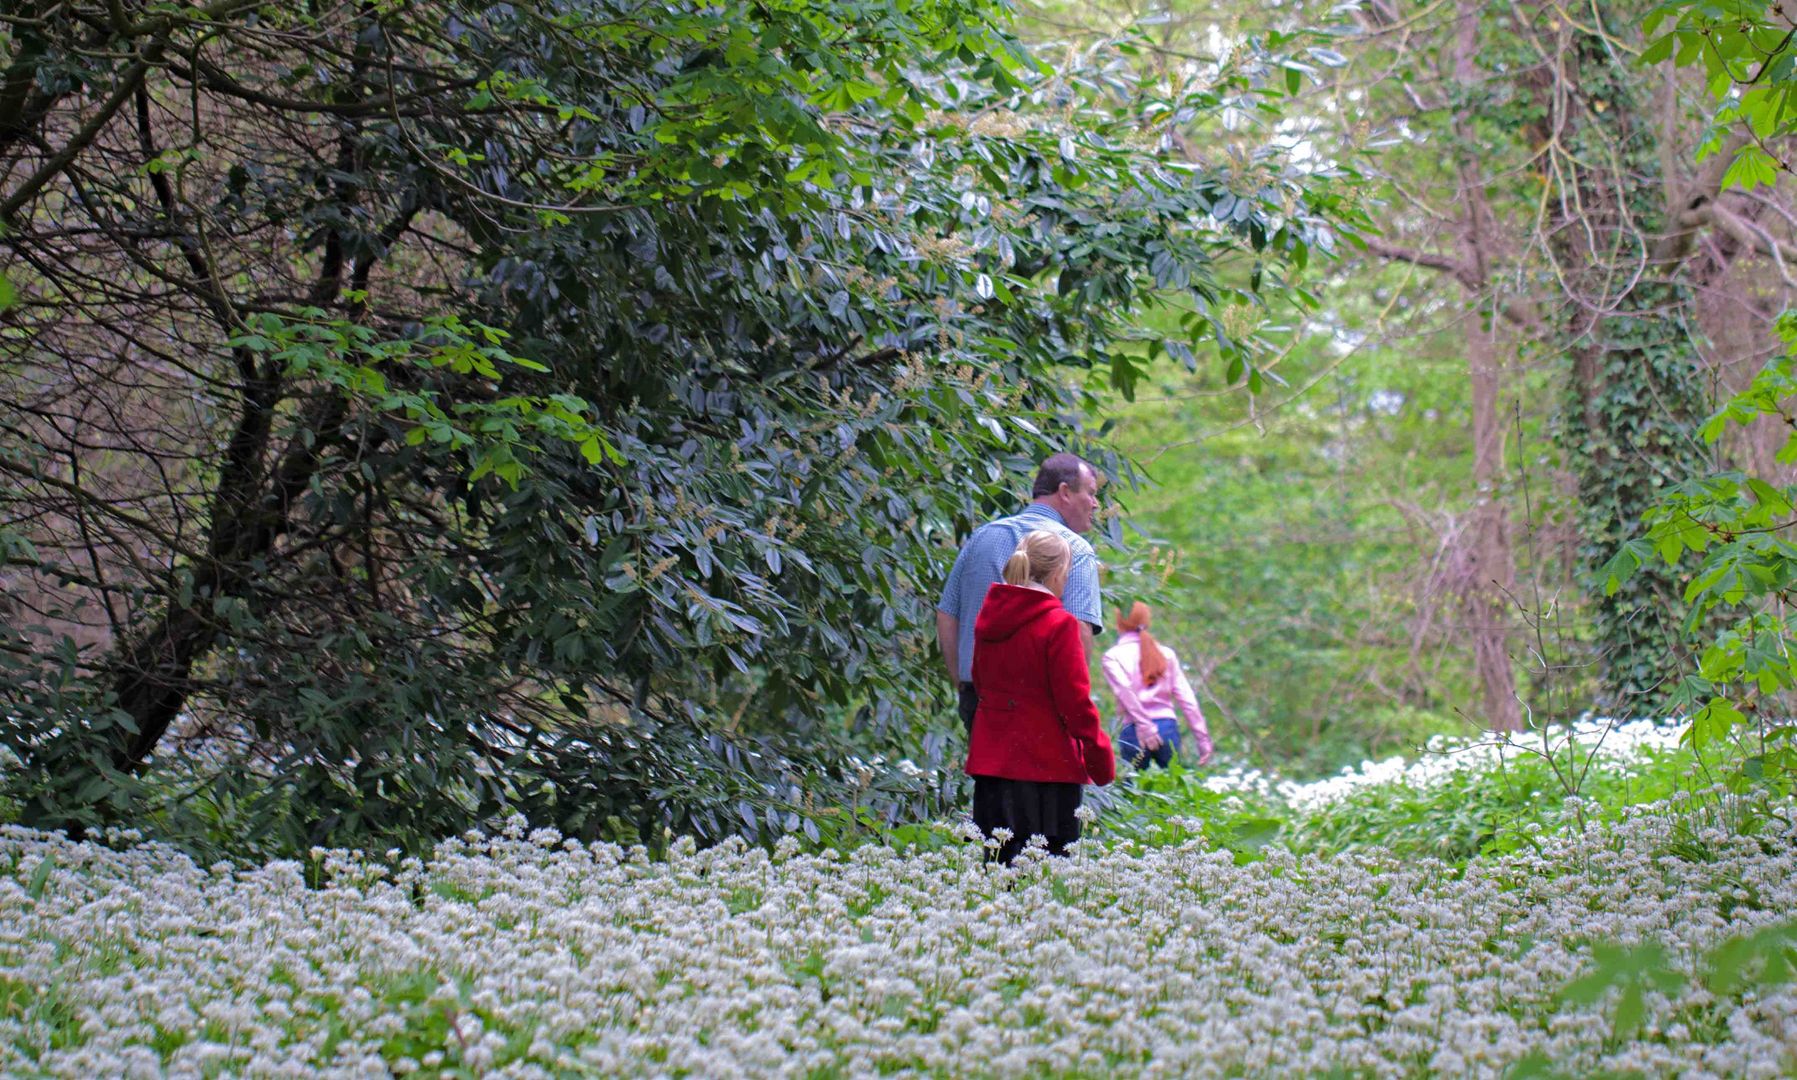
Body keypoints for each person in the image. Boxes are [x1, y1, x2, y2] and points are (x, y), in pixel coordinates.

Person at [965, 531, 1115, 864]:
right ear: (1059, 572)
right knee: (1044, 877)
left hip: (993, 765)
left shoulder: (987, 621)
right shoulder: (1059, 624)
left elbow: (980, 683)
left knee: (999, 871)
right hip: (1047, 769)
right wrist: (1100, 755)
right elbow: (1075, 704)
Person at [936, 452, 1103, 733]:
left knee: (988, 777)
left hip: (979, 697)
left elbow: (947, 615)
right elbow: (1079, 632)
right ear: (1064, 492)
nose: (1096, 504)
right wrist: (1075, 712)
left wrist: (964, 683)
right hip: (1041, 705)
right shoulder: (1076, 550)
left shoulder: (982, 537)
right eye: (1091, 493)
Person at [1101, 602, 1215, 768]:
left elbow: (1125, 692)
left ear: (1119, 623)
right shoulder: (1166, 654)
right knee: (1172, 788)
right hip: (1166, 728)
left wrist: (1145, 726)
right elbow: (1187, 699)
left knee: (1132, 790)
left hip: (1134, 730)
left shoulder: (1113, 657)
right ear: (1147, 621)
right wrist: (1203, 740)